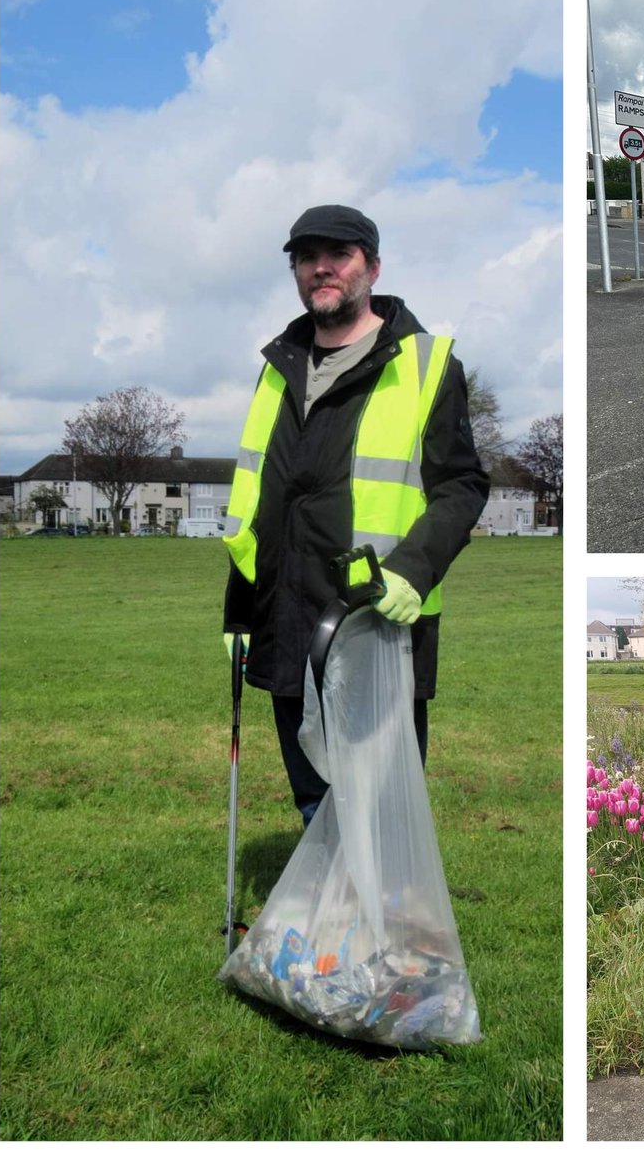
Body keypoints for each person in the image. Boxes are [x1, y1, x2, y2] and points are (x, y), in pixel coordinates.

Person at [222, 204, 489, 827]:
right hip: (285, 622)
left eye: (338, 255)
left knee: (382, 806)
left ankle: (385, 921)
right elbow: (256, 505)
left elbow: (463, 485)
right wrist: (238, 613)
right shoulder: (278, 368)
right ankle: (331, 920)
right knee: (315, 800)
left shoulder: (425, 364)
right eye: (306, 257)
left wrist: (413, 572)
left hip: (374, 623)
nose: (322, 268)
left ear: (371, 266)